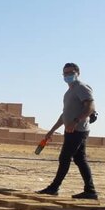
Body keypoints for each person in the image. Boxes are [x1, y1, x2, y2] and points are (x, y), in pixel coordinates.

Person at [37, 62, 97, 199]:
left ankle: (54, 188)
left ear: (77, 73)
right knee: (80, 159)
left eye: (70, 73)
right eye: (65, 73)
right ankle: (90, 190)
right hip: (71, 129)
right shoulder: (69, 92)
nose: (67, 76)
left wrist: (75, 122)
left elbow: (90, 107)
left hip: (78, 130)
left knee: (64, 157)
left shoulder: (81, 87)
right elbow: (64, 115)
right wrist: (51, 131)